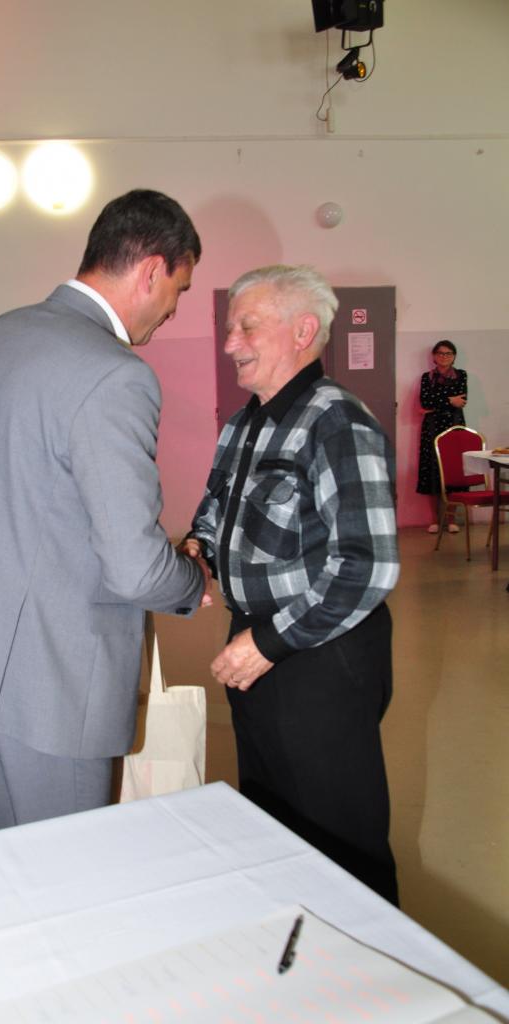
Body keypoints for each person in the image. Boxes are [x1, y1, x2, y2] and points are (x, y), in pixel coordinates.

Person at [0, 189, 211, 830]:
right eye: (178, 291)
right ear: (152, 269)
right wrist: (191, 579)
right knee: (69, 867)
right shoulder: (115, 374)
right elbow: (135, 569)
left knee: (13, 850)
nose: (172, 310)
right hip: (53, 682)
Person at [185, 265, 400, 904]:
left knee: (339, 835)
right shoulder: (242, 424)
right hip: (257, 642)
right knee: (270, 819)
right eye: (229, 329)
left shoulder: (338, 422)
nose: (230, 343)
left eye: (247, 327)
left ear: (303, 331)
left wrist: (269, 644)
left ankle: (366, 955)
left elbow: (367, 565)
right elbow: (214, 513)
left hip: (321, 653)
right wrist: (196, 549)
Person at [416, 340, 468, 533]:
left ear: (454, 356)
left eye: (448, 353)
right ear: (434, 356)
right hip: (431, 428)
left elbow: (461, 401)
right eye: (440, 353)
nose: (444, 357)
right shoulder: (426, 377)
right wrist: (449, 399)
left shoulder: (461, 375)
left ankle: (452, 519)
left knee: (453, 471)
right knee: (432, 471)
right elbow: (425, 401)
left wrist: (436, 402)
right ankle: (434, 520)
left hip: (454, 427)